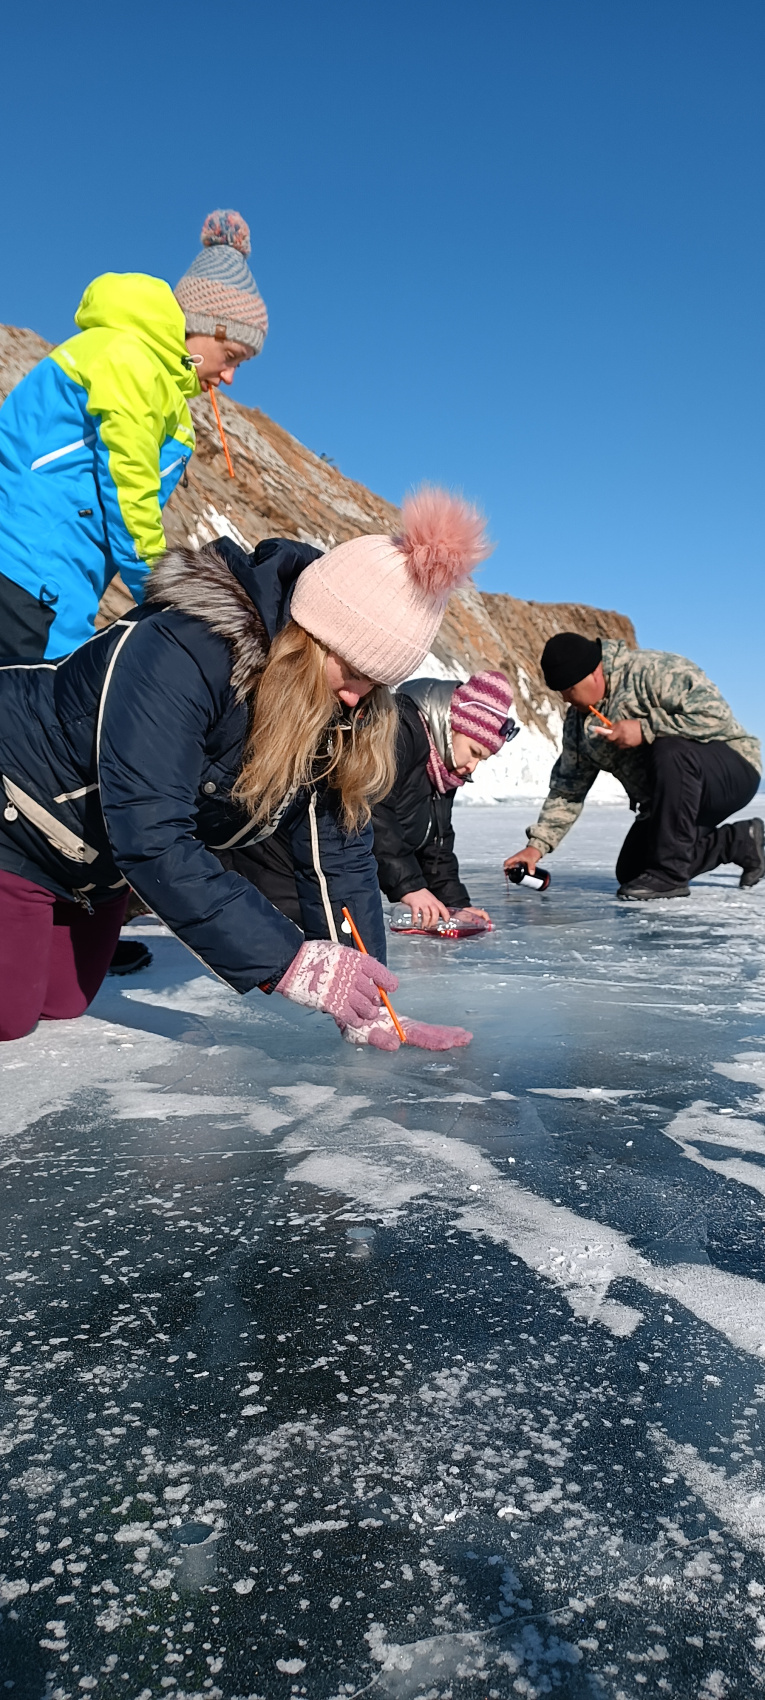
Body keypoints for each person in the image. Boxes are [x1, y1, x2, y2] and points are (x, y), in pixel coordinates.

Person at [0, 486, 488, 1047]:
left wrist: (369, 1001)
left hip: (97, 864)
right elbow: (153, 835)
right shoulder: (182, 651)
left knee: (62, 1002)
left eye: (375, 683)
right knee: (11, 1017)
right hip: (20, 814)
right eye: (353, 670)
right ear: (314, 634)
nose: (358, 697)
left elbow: (339, 854)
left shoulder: (329, 706)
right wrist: (287, 961)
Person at [0, 208, 267, 661]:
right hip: (30, 576)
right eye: (231, 355)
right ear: (204, 326)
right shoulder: (133, 361)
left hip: (53, 585)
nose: (229, 377)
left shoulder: (156, 381)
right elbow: (130, 491)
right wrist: (164, 593)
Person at [503, 632, 764, 899]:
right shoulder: (578, 726)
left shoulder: (651, 671)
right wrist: (536, 847)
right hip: (671, 801)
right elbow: (568, 790)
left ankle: (670, 876)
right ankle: (739, 841)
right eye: (560, 693)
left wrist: (645, 729)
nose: (566, 699)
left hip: (732, 771)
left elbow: (715, 717)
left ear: (594, 673)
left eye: (569, 689)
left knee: (670, 750)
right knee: (633, 873)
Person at [370, 671, 516, 928]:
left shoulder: (444, 768)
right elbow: (374, 809)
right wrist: (410, 887)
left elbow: (437, 844)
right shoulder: (402, 729)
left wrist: (457, 905)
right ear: (454, 726)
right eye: (474, 752)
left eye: (481, 759)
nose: (472, 766)